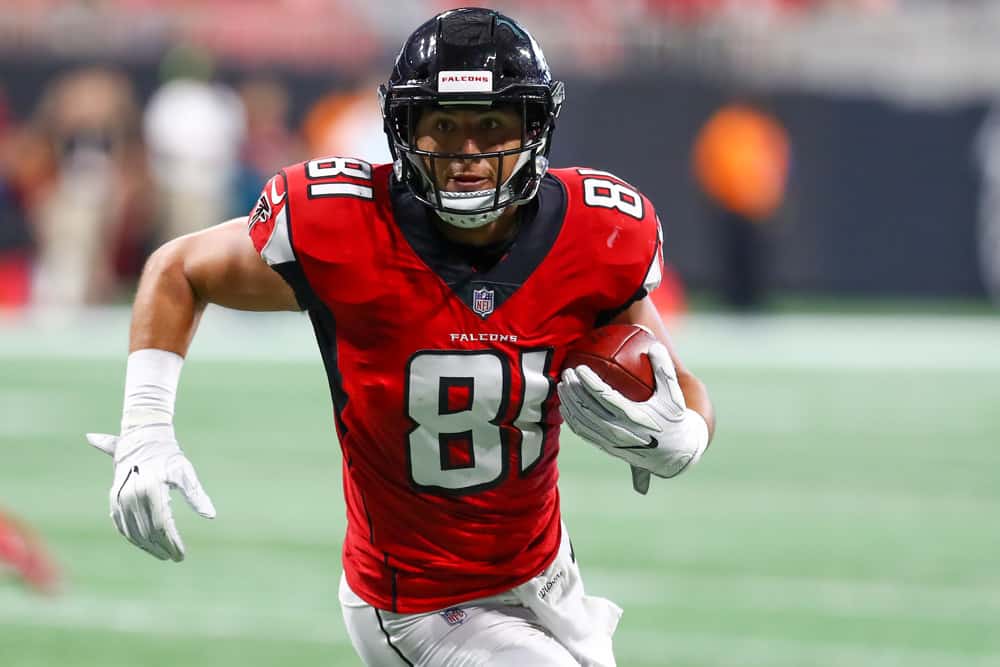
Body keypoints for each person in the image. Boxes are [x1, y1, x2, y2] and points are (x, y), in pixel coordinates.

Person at [85, 8, 716, 666]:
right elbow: (179, 268)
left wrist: (687, 433)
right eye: (443, 125)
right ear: (404, 128)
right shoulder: (344, 225)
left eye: (490, 125)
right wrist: (147, 423)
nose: (467, 153)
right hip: (417, 603)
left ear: (534, 128)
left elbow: (678, 378)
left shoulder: (595, 234)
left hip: (547, 576)